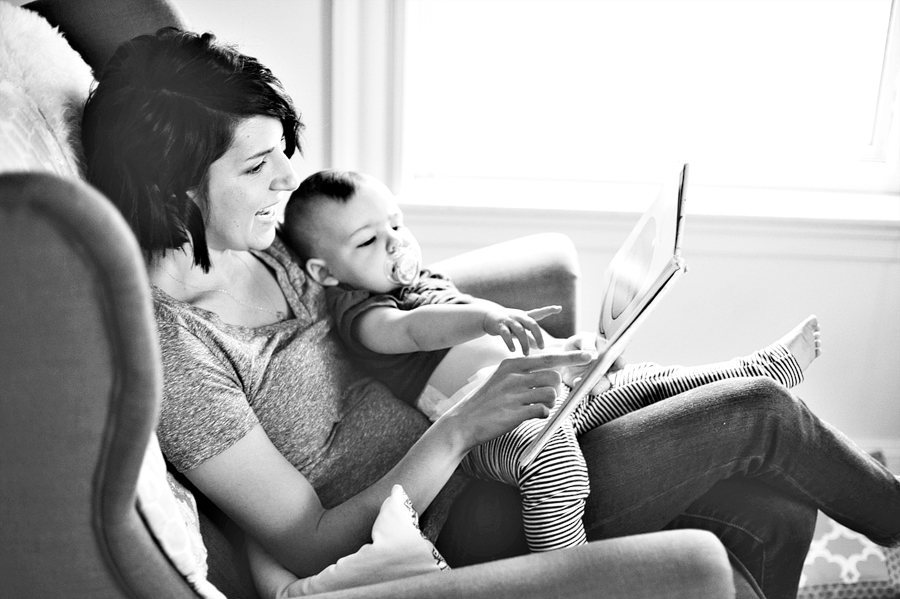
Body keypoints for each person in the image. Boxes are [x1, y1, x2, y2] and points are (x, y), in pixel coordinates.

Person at [80, 26, 900, 599]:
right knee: (758, 414)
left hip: (491, 447)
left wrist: (479, 336)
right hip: (455, 524)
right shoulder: (180, 354)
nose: (284, 185)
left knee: (773, 496)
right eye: (258, 167)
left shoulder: (267, 243)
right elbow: (312, 541)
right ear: (172, 186)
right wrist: (465, 425)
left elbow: (396, 291)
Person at [280, 169, 823, 553]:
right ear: (327, 273)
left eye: (396, 224)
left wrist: (569, 352)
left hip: (549, 386)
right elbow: (413, 330)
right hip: (489, 424)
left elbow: (457, 315)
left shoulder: (422, 280)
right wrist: (487, 319)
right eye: (369, 241)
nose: (395, 244)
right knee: (552, 461)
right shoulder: (364, 311)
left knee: (643, 381)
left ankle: (753, 371)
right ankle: (567, 567)